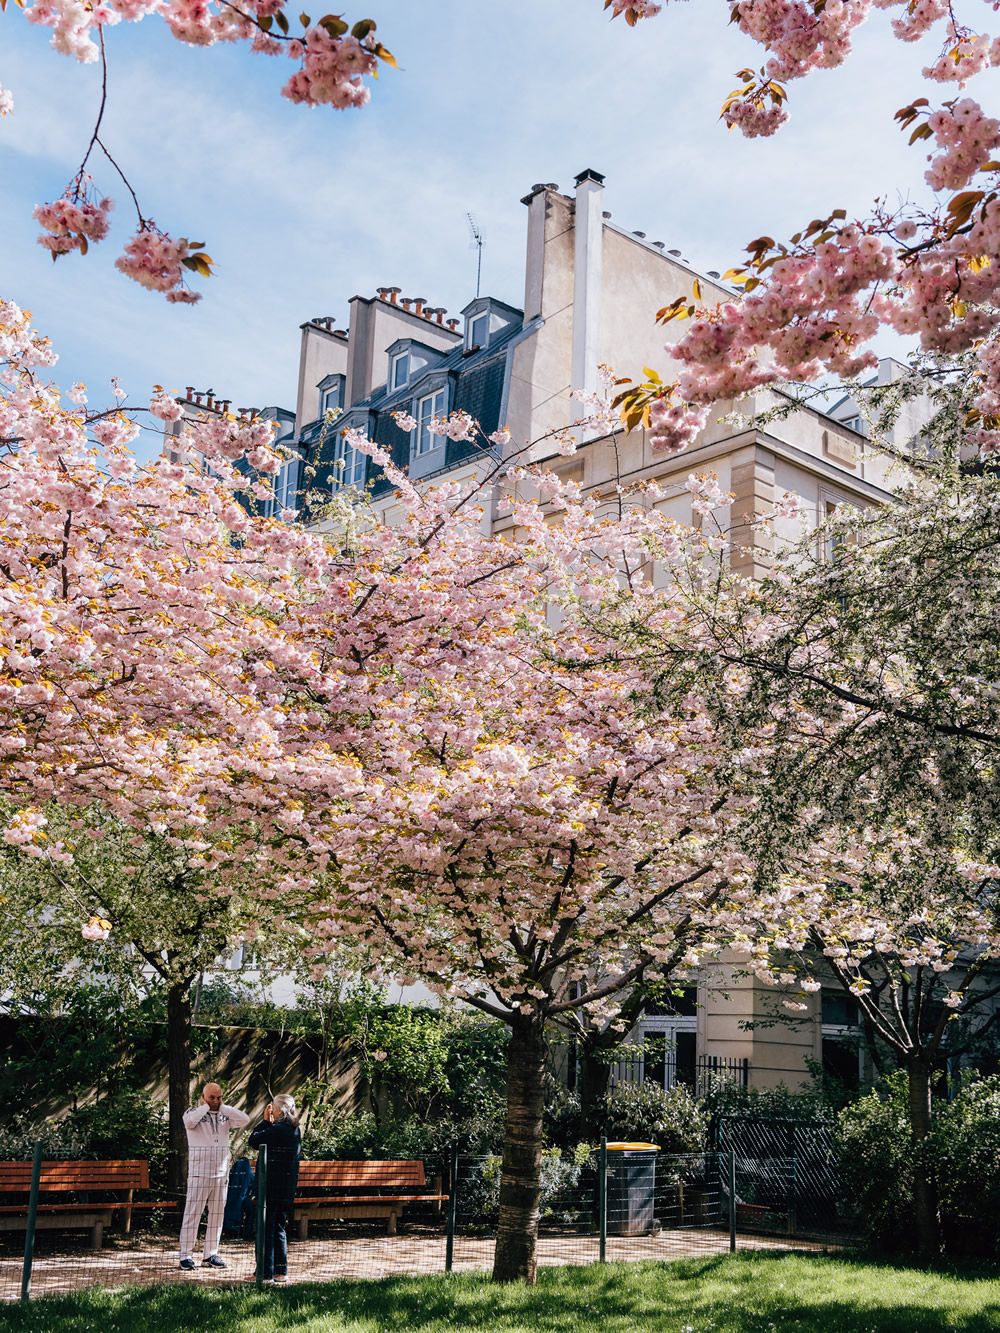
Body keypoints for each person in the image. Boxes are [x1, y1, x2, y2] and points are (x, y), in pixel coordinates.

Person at [178, 1082, 250, 1271]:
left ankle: (210, 1253)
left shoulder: (225, 1116)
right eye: (212, 1097)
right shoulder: (193, 1113)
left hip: (220, 1174)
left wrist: (223, 1108)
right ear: (203, 1096)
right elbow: (188, 1122)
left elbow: (245, 1119)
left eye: (218, 1097)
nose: (216, 1101)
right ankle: (185, 1255)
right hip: (199, 1174)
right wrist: (205, 1107)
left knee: (217, 1216)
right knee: (192, 1215)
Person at [248, 1093, 302, 1285]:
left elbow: (253, 1141)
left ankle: (264, 1273)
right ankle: (281, 1272)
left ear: (278, 1110)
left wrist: (264, 1122)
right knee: (278, 1228)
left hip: (270, 1188)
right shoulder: (294, 1130)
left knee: (264, 1229)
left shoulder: (276, 1129)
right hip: (286, 1188)